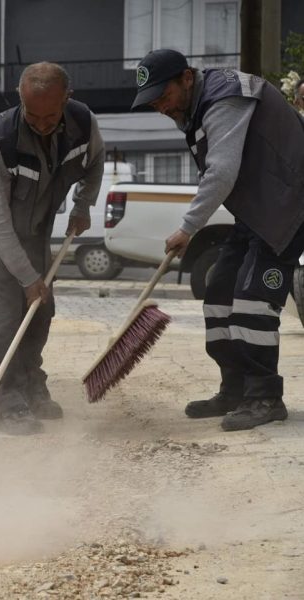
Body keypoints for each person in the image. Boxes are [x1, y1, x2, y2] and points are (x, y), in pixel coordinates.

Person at [132, 49, 304, 431]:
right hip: (256, 211)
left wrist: (188, 227)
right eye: (154, 102)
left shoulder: (225, 96)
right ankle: (235, 389)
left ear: (186, 78)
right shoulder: (193, 109)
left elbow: (222, 170)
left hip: (289, 206)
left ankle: (265, 397)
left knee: (253, 302)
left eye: (164, 96)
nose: (161, 107)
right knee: (219, 295)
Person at [0, 62, 104, 435]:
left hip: (37, 229)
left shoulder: (83, 123)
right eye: (32, 115)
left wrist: (83, 205)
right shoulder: (2, 140)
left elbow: (95, 163)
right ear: (20, 99)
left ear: (67, 99)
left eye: (50, 116)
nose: (41, 125)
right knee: (4, 316)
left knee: (41, 309)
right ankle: (7, 402)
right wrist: (27, 277)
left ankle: (31, 384)